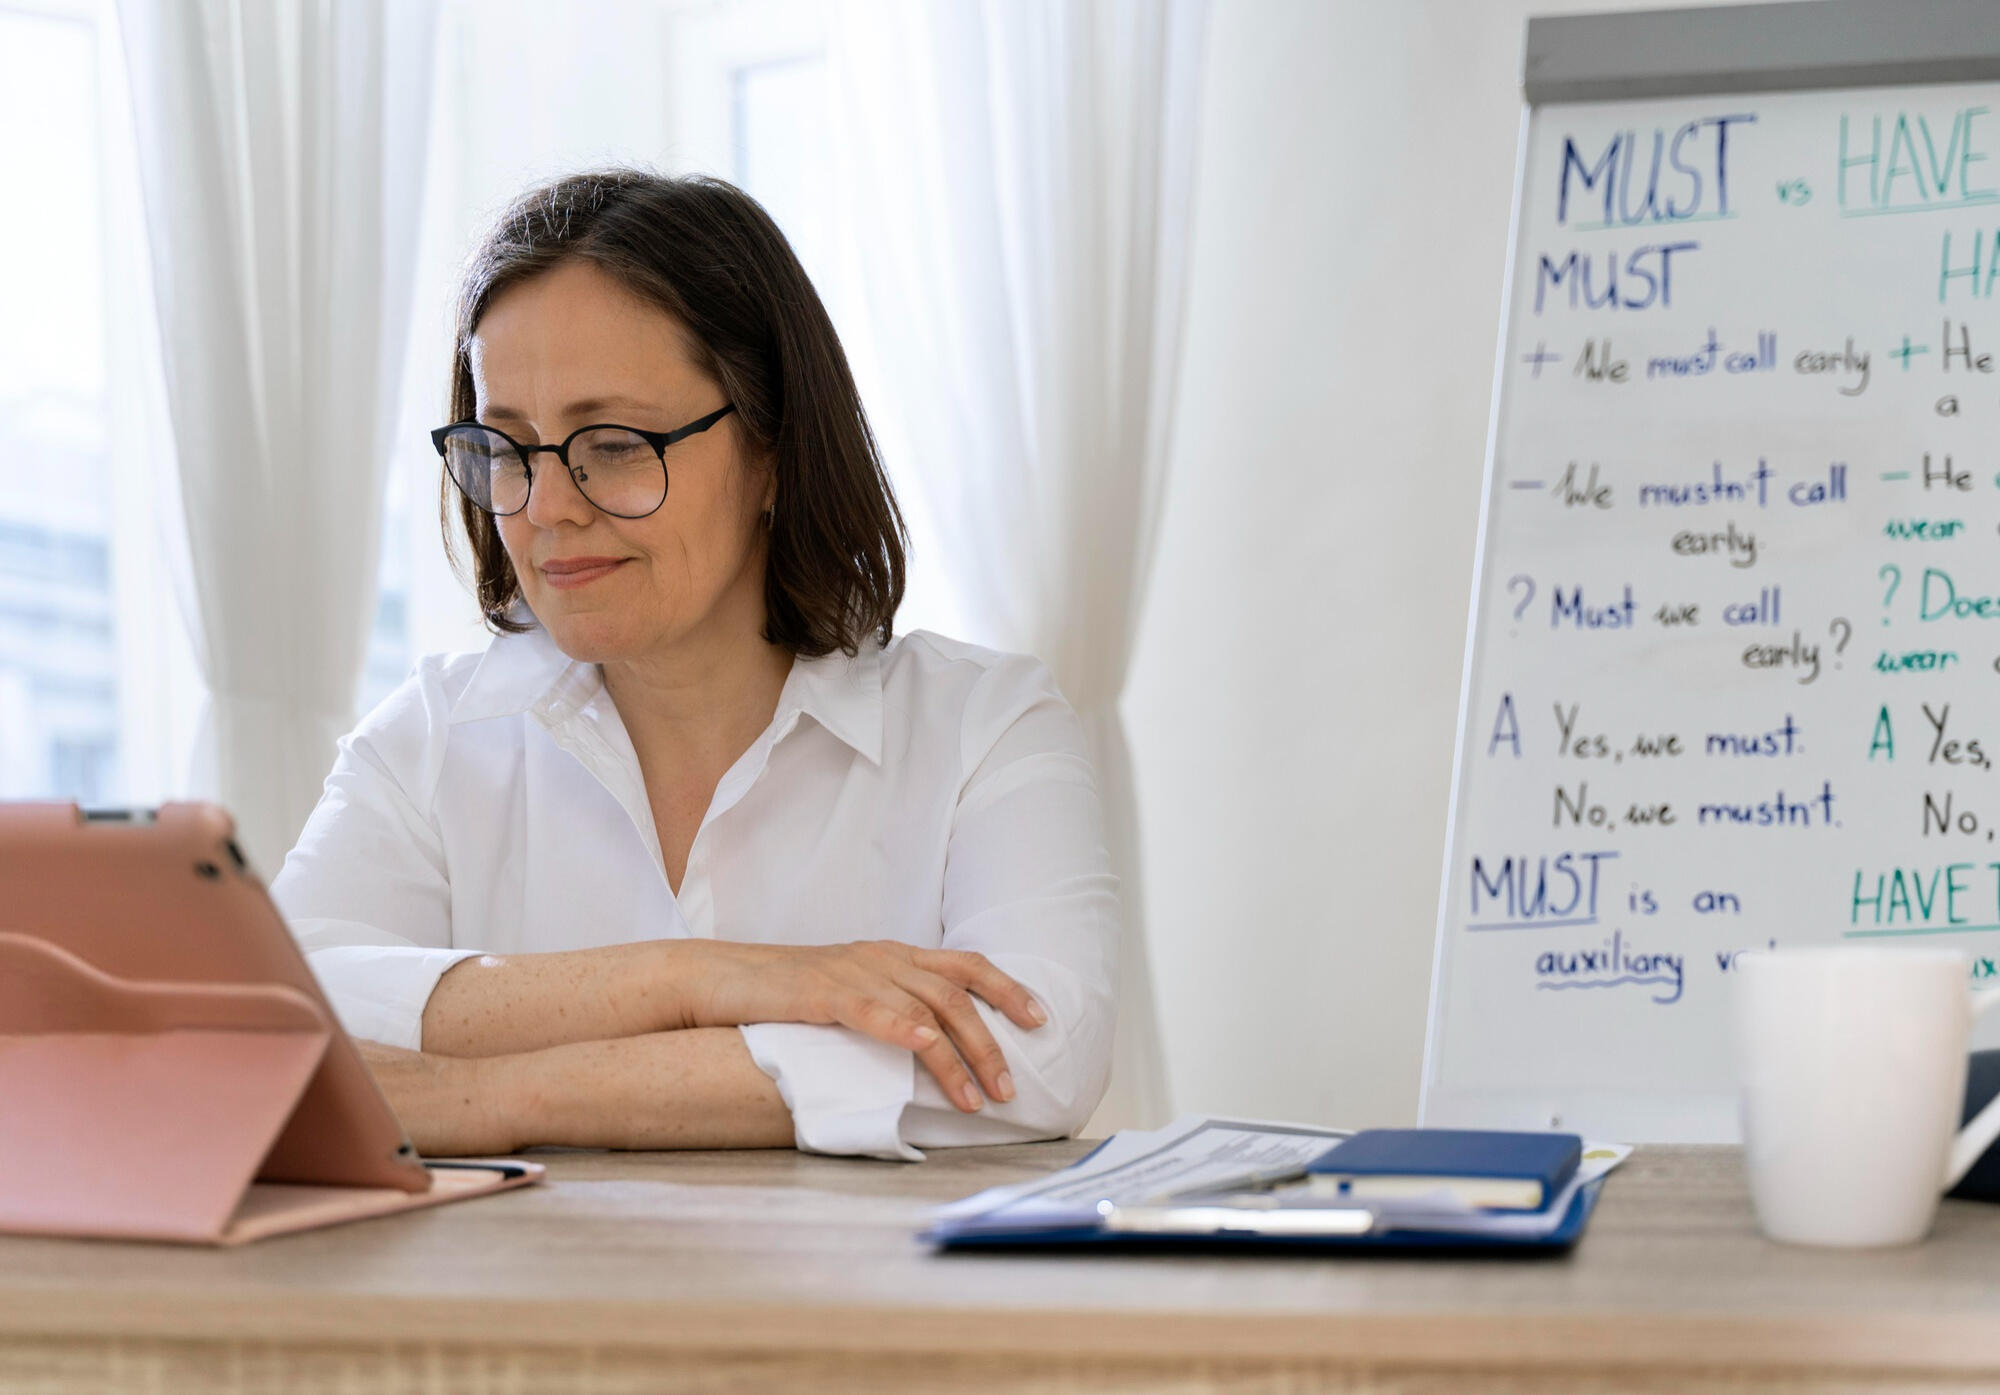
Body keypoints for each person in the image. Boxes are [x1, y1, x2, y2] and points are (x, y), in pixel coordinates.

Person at [270, 169, 1118, 1162]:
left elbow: (1034, 1056)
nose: (545, 508)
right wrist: (703, 980)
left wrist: (489, 1097)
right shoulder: (426, 741)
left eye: (615, 443)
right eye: (506, 445)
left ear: (773, 448)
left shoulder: (983, 727)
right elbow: (277, 1013)